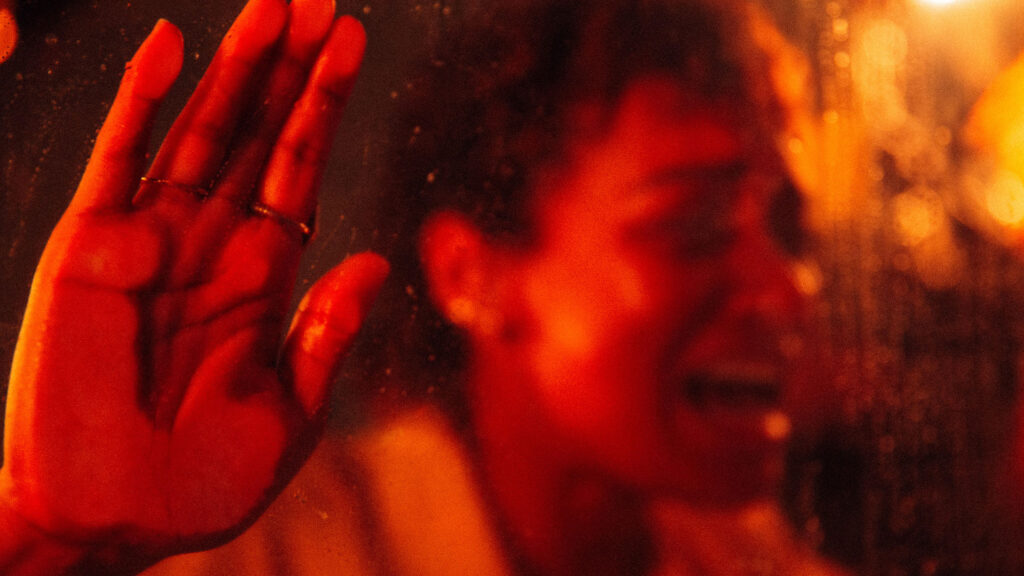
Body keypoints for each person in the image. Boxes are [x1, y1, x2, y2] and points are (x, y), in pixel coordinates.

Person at [0, 0, 846, 574]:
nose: (784, 291)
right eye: (692, 224)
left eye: (791, 230)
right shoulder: (273, 553)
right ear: (468, 275)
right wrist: (51, 548)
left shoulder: (743, 553)